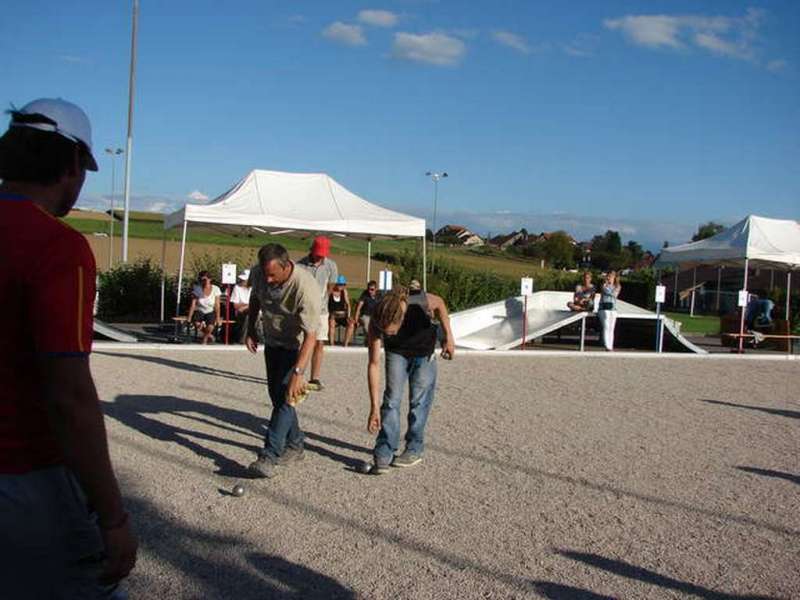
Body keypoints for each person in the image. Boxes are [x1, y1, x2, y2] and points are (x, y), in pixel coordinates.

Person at [0, 98, 137, 596]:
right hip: (26, 474)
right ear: (71, 165)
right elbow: (70, 396)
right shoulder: (58, 247)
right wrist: (113, 515)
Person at [245, 244, 321, 479]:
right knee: (277, 396)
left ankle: (269, 455)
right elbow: (255, 297)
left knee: (287, 397)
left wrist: (299, 373)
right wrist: (250, 329)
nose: (268, 279)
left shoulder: (306, 287)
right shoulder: (259, 273)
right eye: (265, 274)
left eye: (273, 275)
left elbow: (311, 335)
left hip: (296, 346)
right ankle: (296, 444)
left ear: (287, 266)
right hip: (273, 340)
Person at [366, 284, 455, 473]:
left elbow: (439, 303)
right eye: (384, 333)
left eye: (390, 332)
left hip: (424, 353)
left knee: (419, 402)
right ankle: (385, 449)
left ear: (401, 319)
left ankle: (414, 448)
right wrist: (373, 407)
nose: (386, 335)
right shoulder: (376, 318)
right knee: (391, 400)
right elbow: (373, 363)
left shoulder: (418, 301)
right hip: (397, 353)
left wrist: (448, 337)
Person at [297, 236, 338, 390]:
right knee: (303, 343)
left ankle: (315, 377)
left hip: (321, 311)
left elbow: (330, 287)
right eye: (317, 253)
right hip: (304, 310)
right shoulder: (300, 265)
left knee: (320, 342)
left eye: (322, 254)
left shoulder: (331, 266)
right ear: (312, 250)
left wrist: (321, 301)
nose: (319, 257)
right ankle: (298, 374)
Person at [187, 270, 222, 344]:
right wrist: (189, 317)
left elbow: (217, 305)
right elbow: (193, 304)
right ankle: (208, 335)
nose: (203, 281)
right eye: (201, 280)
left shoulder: (216, 289)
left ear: (210, 279)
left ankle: (205, 339)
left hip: (210, 310)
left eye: (205, 279)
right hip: (200, 309)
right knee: (196, 323)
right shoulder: (197, 289)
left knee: (210, 326)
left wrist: (218, 318)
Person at [348, 279, 379, 346]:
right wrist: (356, 318)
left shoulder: (379, 295)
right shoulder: (365, 294)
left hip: (375, 316)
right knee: (367, 324)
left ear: (376, 289)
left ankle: (373, 342)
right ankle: (369, 343)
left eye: (372, 289)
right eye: (369, 289)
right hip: (365, 315)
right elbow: (359, 306)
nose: (370, 291)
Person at [597, 271, 622, 351]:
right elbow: (606, 291)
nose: (609, 278)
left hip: (613, 308)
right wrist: (610, 289)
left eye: (611, 276)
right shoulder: (604, 285)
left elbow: (615, 294)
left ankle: (611, 345)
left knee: (612, 327)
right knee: (606, 326)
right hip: (604, 308)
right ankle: (607, 345)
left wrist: (612, 290)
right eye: (608, 276)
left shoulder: (617, 286)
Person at [327, 274, 351, 346]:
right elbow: (325, 303)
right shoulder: (330, 292)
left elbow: (348, 305)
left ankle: (345, 344)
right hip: (332, 315)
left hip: (342, 315)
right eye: (340, 284)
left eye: (343, 285)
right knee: (331, 323)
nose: (342, 286)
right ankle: (332, 344)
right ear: (336, 284)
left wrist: (349, 316)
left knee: (351, 324)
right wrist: (328, 314)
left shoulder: (344, 292)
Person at [230, 269, 252, 343]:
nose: (242, 281)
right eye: (242, 279)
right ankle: (244, 339)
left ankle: (246, 338)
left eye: (244, 280)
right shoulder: (237, 288)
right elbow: (235, 305)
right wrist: (248, 305)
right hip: (241, 312)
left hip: (252, 310)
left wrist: (245, 306)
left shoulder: (254, 288)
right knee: (249, 317)